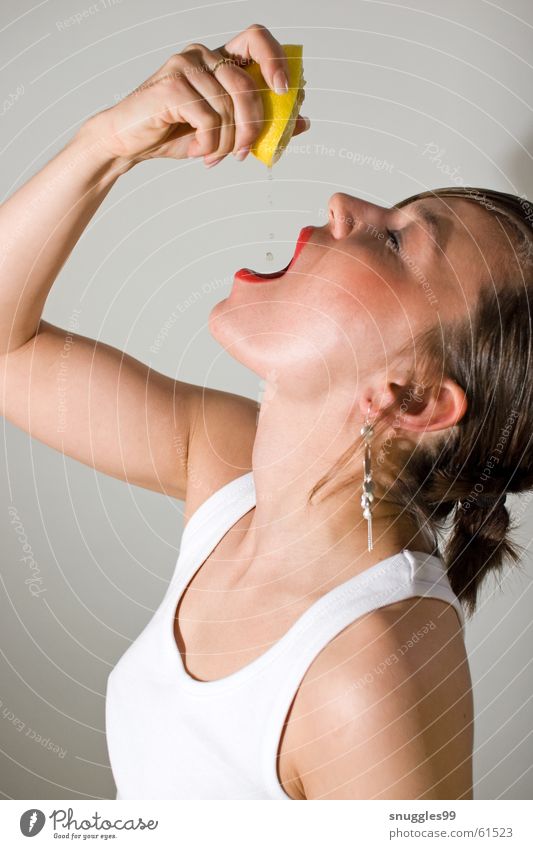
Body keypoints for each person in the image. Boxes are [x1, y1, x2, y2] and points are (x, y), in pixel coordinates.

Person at [1, 23, 532, 801]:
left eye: (392, 242)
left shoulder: (372, 669)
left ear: (413, 399)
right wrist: (109, 142)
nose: (343, 203)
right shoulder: (224, 465)